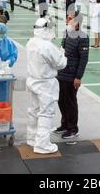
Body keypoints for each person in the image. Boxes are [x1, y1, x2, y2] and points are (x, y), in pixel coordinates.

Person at [26, 18, 68, 154]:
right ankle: (42, 145)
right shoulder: (47, 46)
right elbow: (61, 64)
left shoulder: (31, 42)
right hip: (45, 84)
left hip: (33, 80)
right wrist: (62, 53)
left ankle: (32, 138)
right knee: (46, 113)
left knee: (34, 110)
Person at [55, 12, 89, 139]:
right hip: (61, 72)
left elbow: (84, 59)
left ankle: (73, 128)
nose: (67, 20)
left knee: (70, 102)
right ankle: (64, 124)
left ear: (77, 22)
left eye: (70, 19)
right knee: (61, 100)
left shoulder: (83, 37)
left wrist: (78, 77)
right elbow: (62, 50)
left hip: (72, 75)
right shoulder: (67, 33)